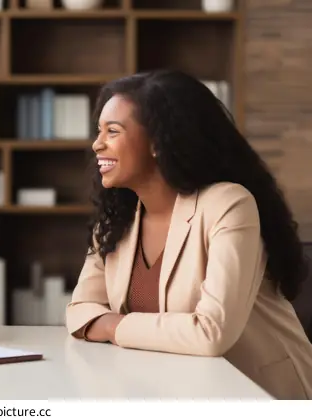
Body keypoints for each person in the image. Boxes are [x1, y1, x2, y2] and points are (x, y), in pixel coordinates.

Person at [66, 69, 312, 399]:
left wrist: (112, 325)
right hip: (179, 392)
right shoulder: (116, 221)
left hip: (259, 394)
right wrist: (104, 322)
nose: (97, 144)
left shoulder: (228, 205)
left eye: (113, 131)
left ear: (157, 141)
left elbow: (211, 332)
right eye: (99, 131)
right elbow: (80, 311)